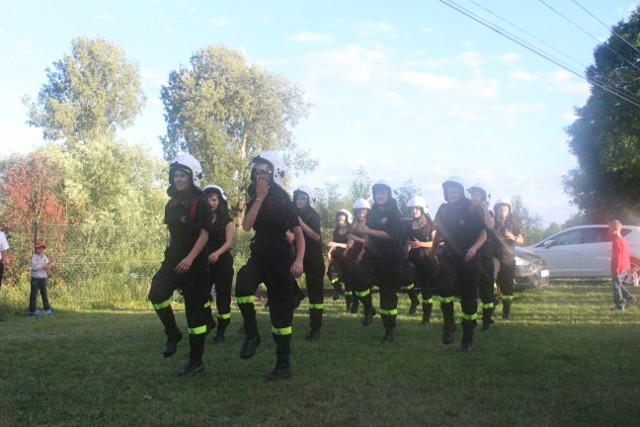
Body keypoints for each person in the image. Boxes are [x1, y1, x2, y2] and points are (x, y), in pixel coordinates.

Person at [234, 151, 304, 381]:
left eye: (265, 172)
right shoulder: (254, 197)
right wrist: (259, 199)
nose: (260, 175)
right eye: (257, 172)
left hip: (281, 261)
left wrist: (299, 260)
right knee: (242, 287)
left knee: (281, 318)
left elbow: (299, 234)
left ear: (275, 174)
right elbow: (246, 226)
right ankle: (252, 335)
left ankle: (283, 365)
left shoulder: (285, 200)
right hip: (259, 258)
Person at [148, 153, 211, 377]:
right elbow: (172, 234)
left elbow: (205, 234)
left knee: (195, 317)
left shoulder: (202, 203)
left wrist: (190, 258)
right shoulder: (171, 204)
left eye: (182, 175)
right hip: (172, 261)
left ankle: (196, 361)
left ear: (193, 177)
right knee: (156, 294)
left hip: (195, 265)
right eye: (175, 175)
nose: (178, 179)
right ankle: (173, 333)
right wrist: (173, 255)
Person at [432, 177, 487, 352]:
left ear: (461, 192)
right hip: (449, 257)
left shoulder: (471, 208)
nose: (452, 194)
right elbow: (437, 233)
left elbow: (484, 234)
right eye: (449, 191)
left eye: (455, 191)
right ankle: (449, 325)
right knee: (444, 290)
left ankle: (468, 336)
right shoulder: (443, 209)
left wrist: (474, 248)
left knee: (469, 297)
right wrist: (433, 252)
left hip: (470, 258)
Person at [351, 181, 404, 343]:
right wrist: (363, 249)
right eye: (377, 193)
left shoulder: (395, 212)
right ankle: (369, 308)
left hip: (391, 259)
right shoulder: (373, 210)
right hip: (372, 256)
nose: (380, 196)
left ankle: (389, 330)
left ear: (388, 194)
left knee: (387, 296)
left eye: (383, 193)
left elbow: (392, 235)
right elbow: (367, 234)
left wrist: (368, 231)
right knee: (358, 279)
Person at [291, 186, 326, 341]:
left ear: (309, 201)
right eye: (298, 198)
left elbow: (316, 237)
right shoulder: (290, 213)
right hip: (296, 256)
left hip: (314, 259)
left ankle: (315, 328)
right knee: (281, 276)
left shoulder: (313, 215)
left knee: (315, 295)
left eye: (304, 198)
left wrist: (300, 223)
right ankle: (297, 295)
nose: (300, 201)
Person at [203, 184, 235, 343]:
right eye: (208, 199)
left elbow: (229, 242)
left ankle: (221, 331)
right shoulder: (202, 220)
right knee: (201, 293)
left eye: (214, 199)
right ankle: (208, 320)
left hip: (223, 263)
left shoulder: (227, 221)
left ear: (220, 201)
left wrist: (217, 253)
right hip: (205, 263)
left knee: (223, 298)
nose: (211, 203)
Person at [467, 184, 496, 331]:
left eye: (477, 194)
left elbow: (490, 227)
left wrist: (484, 209)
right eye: (472, 194)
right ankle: (471, 319)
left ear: (483, 197)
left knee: (486, 286)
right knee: (471, 286)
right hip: (470, 252)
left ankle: (486, 319)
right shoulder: (467, 211)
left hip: (484, 253)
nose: (474, 197)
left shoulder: (488, 212)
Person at [405, 196, 437, 324]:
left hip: (426, 258)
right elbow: (408, 240)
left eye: (417, 208)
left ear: (423, 209)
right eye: (412, 209)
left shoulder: (430, 224)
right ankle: (414, 300)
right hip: (412, 257)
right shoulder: (409, 225)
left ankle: (426, 316)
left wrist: (420, 244)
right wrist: (407, 245)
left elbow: (435, 243)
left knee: (426, 288)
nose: (414, 211)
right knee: (406, 278)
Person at [493, 198, 524, 320]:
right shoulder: (492, 221)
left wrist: (513, 237)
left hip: (508, 257)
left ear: (509, 210)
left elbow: (521, 239)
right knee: (492, 281)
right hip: (494, 256)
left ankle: (506, 313)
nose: (502, 212)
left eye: (505, 209)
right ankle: (491, 308)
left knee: (508, 286)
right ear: (496, 210)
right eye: (500, 209)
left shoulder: (513, 223)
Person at [344, 199, 372, 315]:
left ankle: (368, 307)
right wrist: (347, 249)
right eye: (358, 211)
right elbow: (349, 236)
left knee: (363, 281)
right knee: (352, 279)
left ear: (367, 212)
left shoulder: (370, 224)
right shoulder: (354, 224)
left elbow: (368, 241)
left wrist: (362, 252)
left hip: (366, 253)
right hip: (354, 253)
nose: (361, 214)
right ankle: (356, 302)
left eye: (363, 211)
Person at [327, 209, 353, 311]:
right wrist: (329, 252)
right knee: (331, 272)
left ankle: (349, 305)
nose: (340, 222)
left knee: (348, 282)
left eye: (342, 220)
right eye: (338, 220)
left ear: (347, 220)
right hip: (337, 257)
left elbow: (349, 245)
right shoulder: (336, 231)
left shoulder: (351, 231)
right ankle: (337, 289)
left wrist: (336, 244)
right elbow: (333, 243)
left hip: (348, 257)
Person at [609, 219, 637, 311]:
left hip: (618, 267)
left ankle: (619, 306)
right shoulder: (623, 240)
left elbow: (617, 257)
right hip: (624, 266)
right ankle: (630, 298)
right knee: (619, 285)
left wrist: (616, 269)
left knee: (616, 287)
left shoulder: (617, 241)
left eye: (610, 228)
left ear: (615, 229)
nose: (609, 230)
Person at [29, 242, 54, 317]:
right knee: (34, 295)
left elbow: (47, 266)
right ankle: (32, 310)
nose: (41, 250)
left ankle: (47, 309)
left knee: (44, 294)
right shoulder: (34, 257)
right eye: (39, 248)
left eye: (42, 249)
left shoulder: (44, 257)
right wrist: (43, 266)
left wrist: (50, 265)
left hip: (43, 279)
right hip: (35, 279)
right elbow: (34, 268)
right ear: (36, 249)